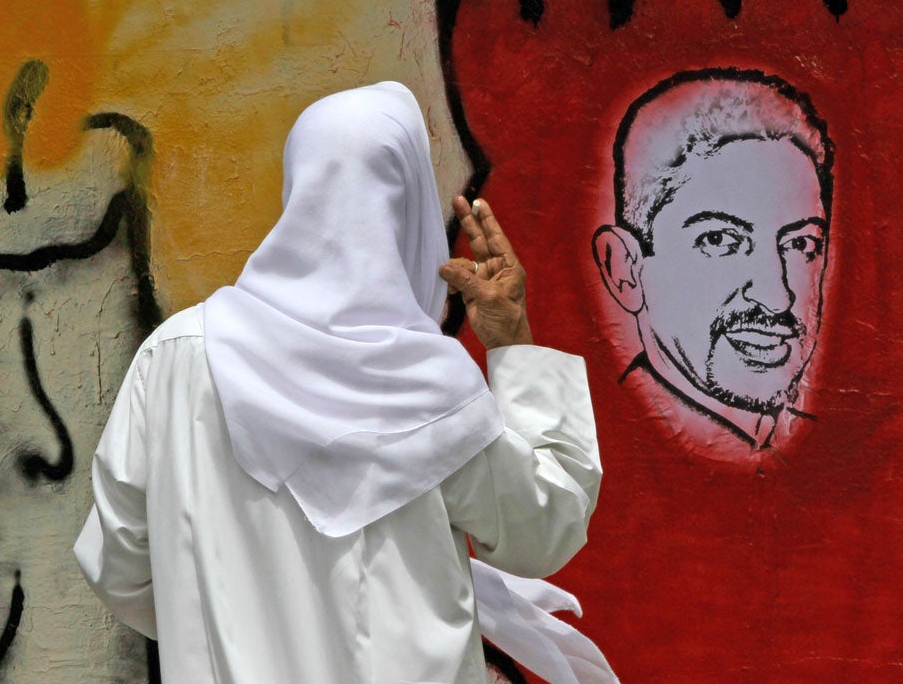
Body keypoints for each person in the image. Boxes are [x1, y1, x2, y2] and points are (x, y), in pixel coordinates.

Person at [74, 82, 603, 683]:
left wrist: (234, 627)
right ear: (407, 210)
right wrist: (511, 337)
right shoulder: (425, 390)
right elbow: (546, 527)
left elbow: (119, 565)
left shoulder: (173, 360)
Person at [592, 68, 833, 465]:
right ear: (625, 269)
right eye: (720, 240)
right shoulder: (595, 448)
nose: (777, 297)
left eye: (800, 244)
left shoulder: (840, 455)